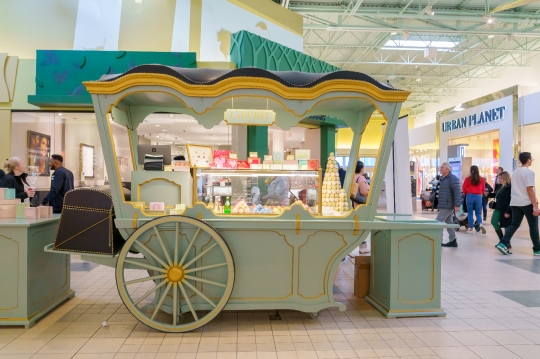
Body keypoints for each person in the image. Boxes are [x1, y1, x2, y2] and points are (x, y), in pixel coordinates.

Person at [497, 152, 540, 256]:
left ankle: (503, 243)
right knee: (533, 226)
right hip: (527, 203)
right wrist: (535, 206)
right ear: (528, 160)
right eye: (531, 159)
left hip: (515, 203)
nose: (531, 161)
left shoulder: (515, 172)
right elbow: (530, 190)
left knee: (515, 224)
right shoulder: (529, 173)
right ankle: (537, 249)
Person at [425, 162, 461, 247]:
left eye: (442, 167)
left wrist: (457, 204)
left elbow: (457, 192)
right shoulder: (442, 178)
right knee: (449, 223)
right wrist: (430, 199)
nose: (440, 169)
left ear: (448, 169)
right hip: (443, 204)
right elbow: (437, 192)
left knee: (438, 222)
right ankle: (453, 240)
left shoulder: (453, 178)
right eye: (440, 167)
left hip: (447, 205)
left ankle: (438, 241)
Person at [462, 165, 486, 234]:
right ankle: (480, 224)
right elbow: (483, 189)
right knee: (478, 213)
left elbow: (464, 188)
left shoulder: (468, 179)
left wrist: (466, 193)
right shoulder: (481, 179)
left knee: (470, 212)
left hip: (469, 196)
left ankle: (471, 227)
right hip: (478, 197)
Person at [491, 171, 512, 247]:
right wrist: (488, 194)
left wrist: (508, 211)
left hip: (505, 208)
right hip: (498, 207)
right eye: (499, 178)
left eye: (501, 178)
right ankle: (502, 240)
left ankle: (506, 242)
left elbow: (511, 199)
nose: (499, 179)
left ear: (505, 178)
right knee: (494, 222)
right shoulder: (500, 186)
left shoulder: (510, 187)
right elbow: (496, 194)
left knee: (506, 225)